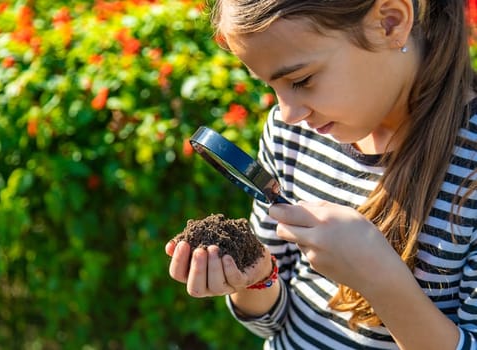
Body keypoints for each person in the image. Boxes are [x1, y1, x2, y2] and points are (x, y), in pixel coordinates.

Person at [165, 0, 477, 348]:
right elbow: (274, 320)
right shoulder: (293, 135)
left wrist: (380, 280)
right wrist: (254, 281)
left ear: (390, 22)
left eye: (301, 79)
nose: (286, 114)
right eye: (271, 86)